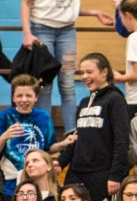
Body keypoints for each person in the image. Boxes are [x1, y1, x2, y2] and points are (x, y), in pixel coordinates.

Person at [59, 53, 131, 201]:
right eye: (82, 73)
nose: (85, 77)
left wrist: (115, 175)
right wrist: (60, 162)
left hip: (102, 175)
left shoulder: (115, 99)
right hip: (76, 173)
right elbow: (76, 138)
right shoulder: (84, 102)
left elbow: (122, 140)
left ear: (104, 71)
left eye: (89, 72)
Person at [21, 0, 114, 132]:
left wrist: (94, 12)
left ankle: (72, 132)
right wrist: (27, 33)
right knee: (45, 84)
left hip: (67, 31)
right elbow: (26, 3)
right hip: (42, 28)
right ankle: (42, 132)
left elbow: (67, 8)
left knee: (68, 84)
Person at [0, 75, 58, 197]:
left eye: (29, 96)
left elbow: (49, 147)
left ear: (36, 97)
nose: (24, 100)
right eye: (19, 96)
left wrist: (64, 143)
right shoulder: (5, 117)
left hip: (38, 180)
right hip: (10, 182)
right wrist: (4, 136)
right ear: (13, 98)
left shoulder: (44, 117)